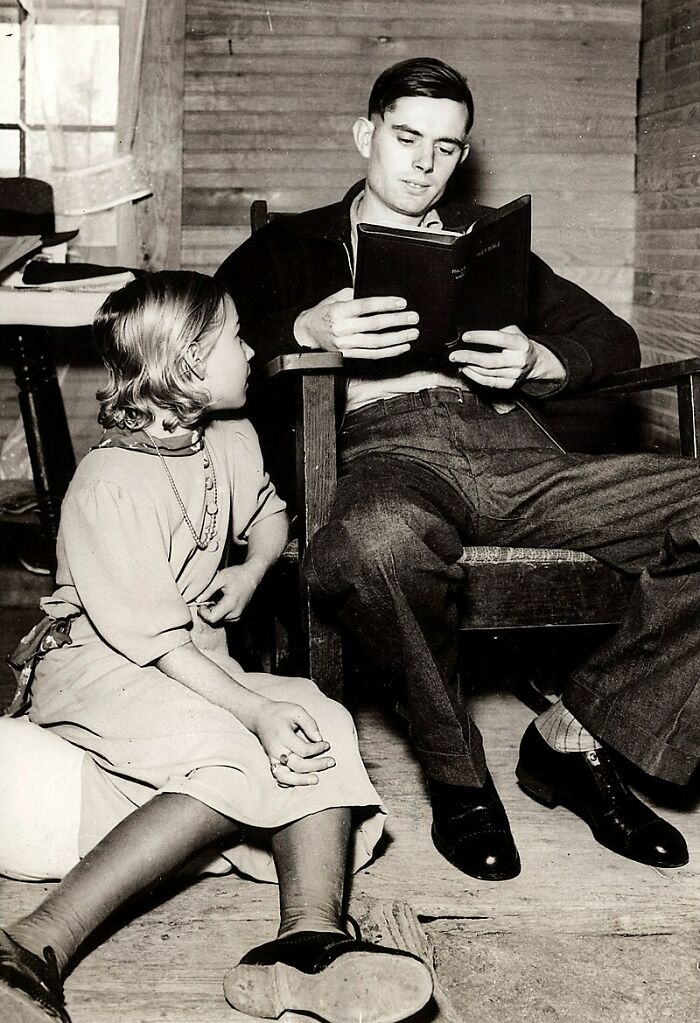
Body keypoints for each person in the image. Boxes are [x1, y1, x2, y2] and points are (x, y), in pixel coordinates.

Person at [215, 56, 697, 883]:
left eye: (447, 147)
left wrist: (538, 357)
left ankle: (574, 735)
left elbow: (610, 337)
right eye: (407, 138)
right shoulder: (289, 246)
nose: (424, 163)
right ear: (366, 134)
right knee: (369, 545)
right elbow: (208, 339)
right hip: (387, 452)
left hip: (516, 449)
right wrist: (304, 329)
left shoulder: (490, 249)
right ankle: (459, 775)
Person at [0, 271, 434, 1023]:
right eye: (235, 335)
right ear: (190, 363)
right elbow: (155, 641)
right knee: (240, 742)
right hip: (99, 662)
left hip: (192, 658)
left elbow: (270, 515)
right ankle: (32, 941)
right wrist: (253, 712)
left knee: (318, 714)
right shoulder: (108, 482)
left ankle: (309, 942)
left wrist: (250, 567)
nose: (251, 345)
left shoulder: (229, 438)